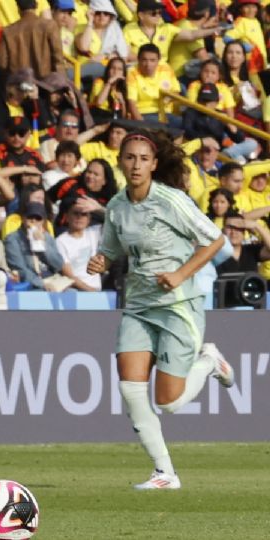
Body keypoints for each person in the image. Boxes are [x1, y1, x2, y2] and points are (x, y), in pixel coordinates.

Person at [86, 128, 235, 491]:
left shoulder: (171, 200)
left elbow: (216, 239)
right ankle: (164, 473)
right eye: (129, 158)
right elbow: (111, 249)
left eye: (143, 159)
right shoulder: (117, 207)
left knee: (168, 402)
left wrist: (181, 273)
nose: (136, 165)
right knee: (129, 386)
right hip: (138, 305)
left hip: (178, 305)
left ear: (154, 164)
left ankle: (209, 362)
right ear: (120, 162)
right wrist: (101, 262)